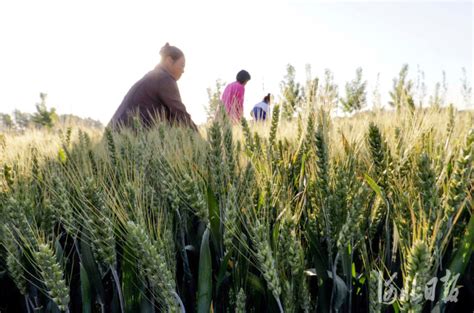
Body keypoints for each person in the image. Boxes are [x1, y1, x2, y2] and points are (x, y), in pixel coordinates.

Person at [109, 43, 197, 131]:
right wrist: (201, 141)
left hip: (114, 135)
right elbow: (180, 114)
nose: (183, 71)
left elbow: (173, 118)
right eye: (182, 65)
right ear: (169, 61)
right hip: (127, 137)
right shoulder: (164, 79)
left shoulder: (152, 77)